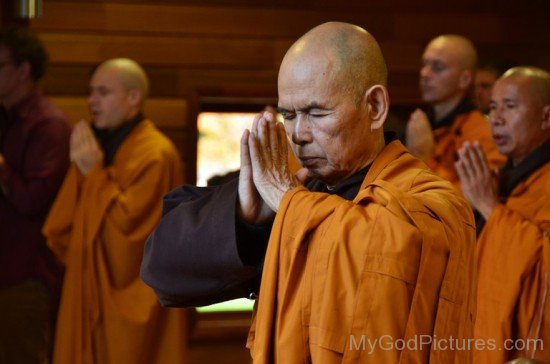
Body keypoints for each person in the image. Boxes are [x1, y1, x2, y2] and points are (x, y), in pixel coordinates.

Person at [142, 22, 476, 362]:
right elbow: (163, 275)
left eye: (317, 113)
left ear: (374, 107)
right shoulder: (295, 189)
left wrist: (289, 202)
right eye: (289, 115)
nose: (298, 134)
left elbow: (391, 255)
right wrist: (247, 220)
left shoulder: (432, 200)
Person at [43, 58, 188, 364]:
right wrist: (91, 171)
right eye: (91, 92)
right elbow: (64, 229)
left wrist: (94, 175)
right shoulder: (101, 149)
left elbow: (131, 235)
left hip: (130, 299)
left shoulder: (155, 154)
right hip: (88, 287)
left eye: (103, 92)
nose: (91, 100)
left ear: (134, 97)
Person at [456, 67, 550, 363]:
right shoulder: (504, 180)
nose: (496, 118)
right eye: (493, 107)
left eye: (510, 106)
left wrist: (490, 209)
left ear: (547, 117)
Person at [0, 27, 71, 364]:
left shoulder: (48, 125)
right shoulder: (6, 117)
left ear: (23, 70)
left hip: (25, 273)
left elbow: (32, 200)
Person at [406, 35, 505, 189]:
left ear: (464, 79)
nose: (425, 73)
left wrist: (425, 158)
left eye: (437, 67)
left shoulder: (482, 134)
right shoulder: (419, 122)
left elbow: (474, 200)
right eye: (424, 64)